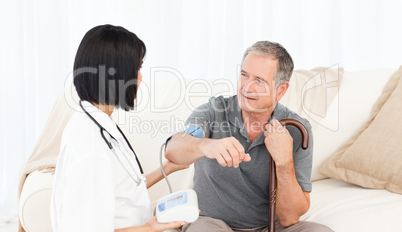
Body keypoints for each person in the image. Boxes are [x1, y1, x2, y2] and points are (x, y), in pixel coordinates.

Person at [165, 41, 334, 231]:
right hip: (211, 222)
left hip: (268, 227)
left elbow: (289, 218)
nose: (247, 87)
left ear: (281, 90)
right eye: (244, 75)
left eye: (259, 81)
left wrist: (284, 163)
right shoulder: (214, 111)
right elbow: (173, 150)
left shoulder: (296, 129)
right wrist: (206, 145)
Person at [50, 24, 188, 232]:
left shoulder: (98, 123)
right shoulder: (92, 150)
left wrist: (168, 168)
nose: (140, 77)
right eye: (137, 68)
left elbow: (126, 188)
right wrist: (149, 228)